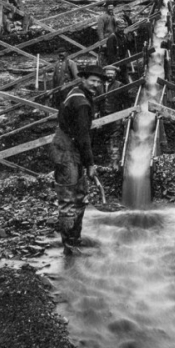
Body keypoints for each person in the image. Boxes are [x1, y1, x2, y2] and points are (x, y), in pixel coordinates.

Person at [49, 64, 104, 255]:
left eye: (98, 81)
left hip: (69, 145)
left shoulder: (77, 93)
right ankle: (70, 246)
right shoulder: (81, 103)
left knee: (80, 195)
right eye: (92, 80)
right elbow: (83, 136)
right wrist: (90, 164)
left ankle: (74, 239)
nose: (96, 84)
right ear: (83, 79)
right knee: (69, 199)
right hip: (66, 150)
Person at [98, 65, 127, 170]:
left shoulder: (119, 85)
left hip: (116, 115)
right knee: (106, 137)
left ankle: (115, 163)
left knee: (115, 138)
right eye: (108, 73)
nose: (110, 75)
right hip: (104, 116)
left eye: (112, 73)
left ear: (115, 74)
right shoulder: (99, 86)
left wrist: (124, 116)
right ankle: (109, 160)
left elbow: (126, 101)